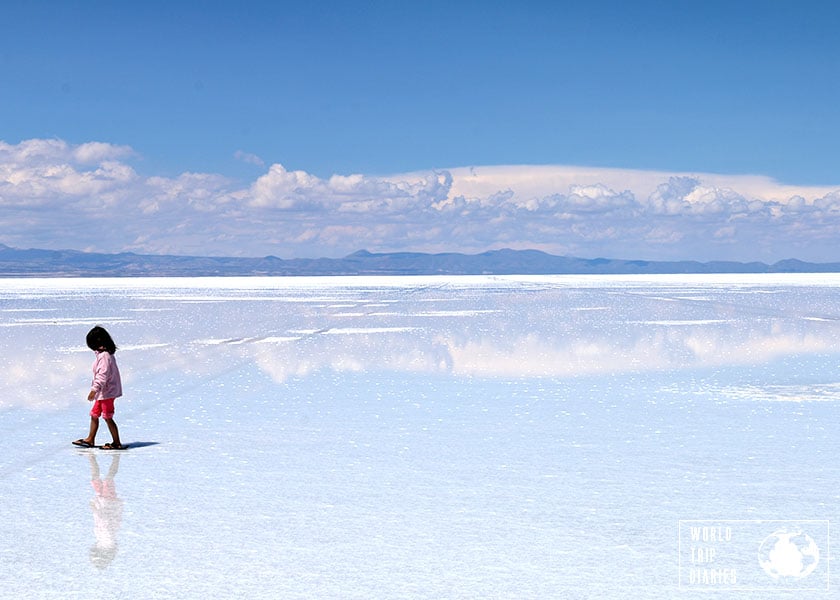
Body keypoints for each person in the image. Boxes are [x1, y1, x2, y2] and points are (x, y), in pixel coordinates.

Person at [73, 326, 125, 450]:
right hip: (103, 392)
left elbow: (102, 375)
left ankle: (116, 442)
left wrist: (94, 390)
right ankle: (90, 439)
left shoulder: (105, 357)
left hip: (107, 392)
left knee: (107, 416)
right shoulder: (103, 355)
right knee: (94, 414)